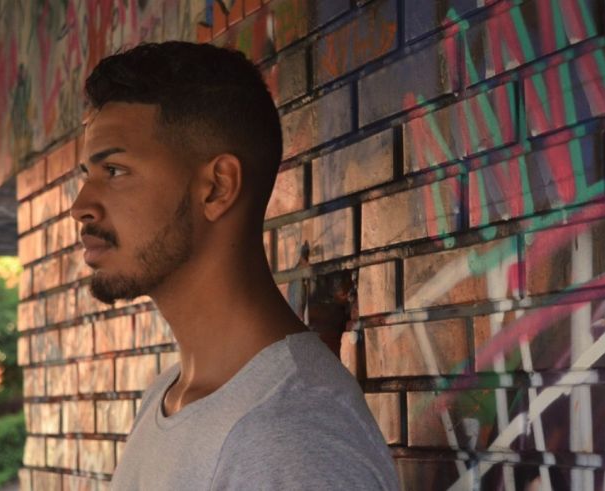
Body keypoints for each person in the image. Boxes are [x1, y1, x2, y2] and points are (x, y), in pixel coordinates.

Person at [71, 41, 399, 490]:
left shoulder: (290, 434)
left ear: (217, 187)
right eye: (86, 176)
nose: (81, 206)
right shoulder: (167, 397)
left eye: (114, 171)